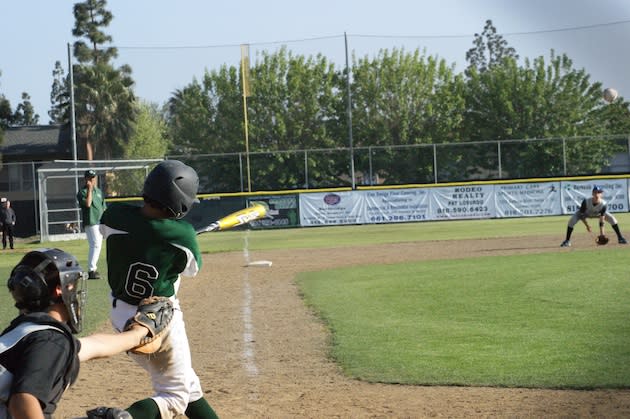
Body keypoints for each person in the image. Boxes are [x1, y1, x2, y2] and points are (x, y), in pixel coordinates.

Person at [100, 160, 219, 419]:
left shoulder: (114, 216)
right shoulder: (183, 235)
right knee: (175, 396)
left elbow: (132, 230)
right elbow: (191, 270)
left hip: (122, 317)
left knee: (188, 385)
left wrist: (155, 238)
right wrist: (172, 236)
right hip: (158, 320)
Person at [0, 248, 153, 419]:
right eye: (73, 284)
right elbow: (22, 402)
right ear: (60, 290)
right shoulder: (50, 340)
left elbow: (94, 346)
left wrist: (139, 332)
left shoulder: (26, 332)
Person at [561, 185, 628, 247]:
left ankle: (620, 238)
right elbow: (582, 215)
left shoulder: (603, 204)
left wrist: (602, 234)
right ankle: (567, 241)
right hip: (585, 214)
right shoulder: (586, 201)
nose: (597, 194)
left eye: (599, 192)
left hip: (597, 214)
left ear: (601, 194)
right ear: (592, 194)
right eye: (595, 192)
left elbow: (602, 220)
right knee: (571, 221)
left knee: (613, 219)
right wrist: (587, 226)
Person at [77, 170, 107, 279]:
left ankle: (92, 269)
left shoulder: (98, 191)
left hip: (99, 222)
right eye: (89, 178)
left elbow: (103, 207)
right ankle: (91, 270)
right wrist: (89, 189)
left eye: (93, 178)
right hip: (91, 222)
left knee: (96, 245)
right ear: (85, 179)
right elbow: (88, 204)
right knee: (95, 245)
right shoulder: (82, 192)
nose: (91, 180)